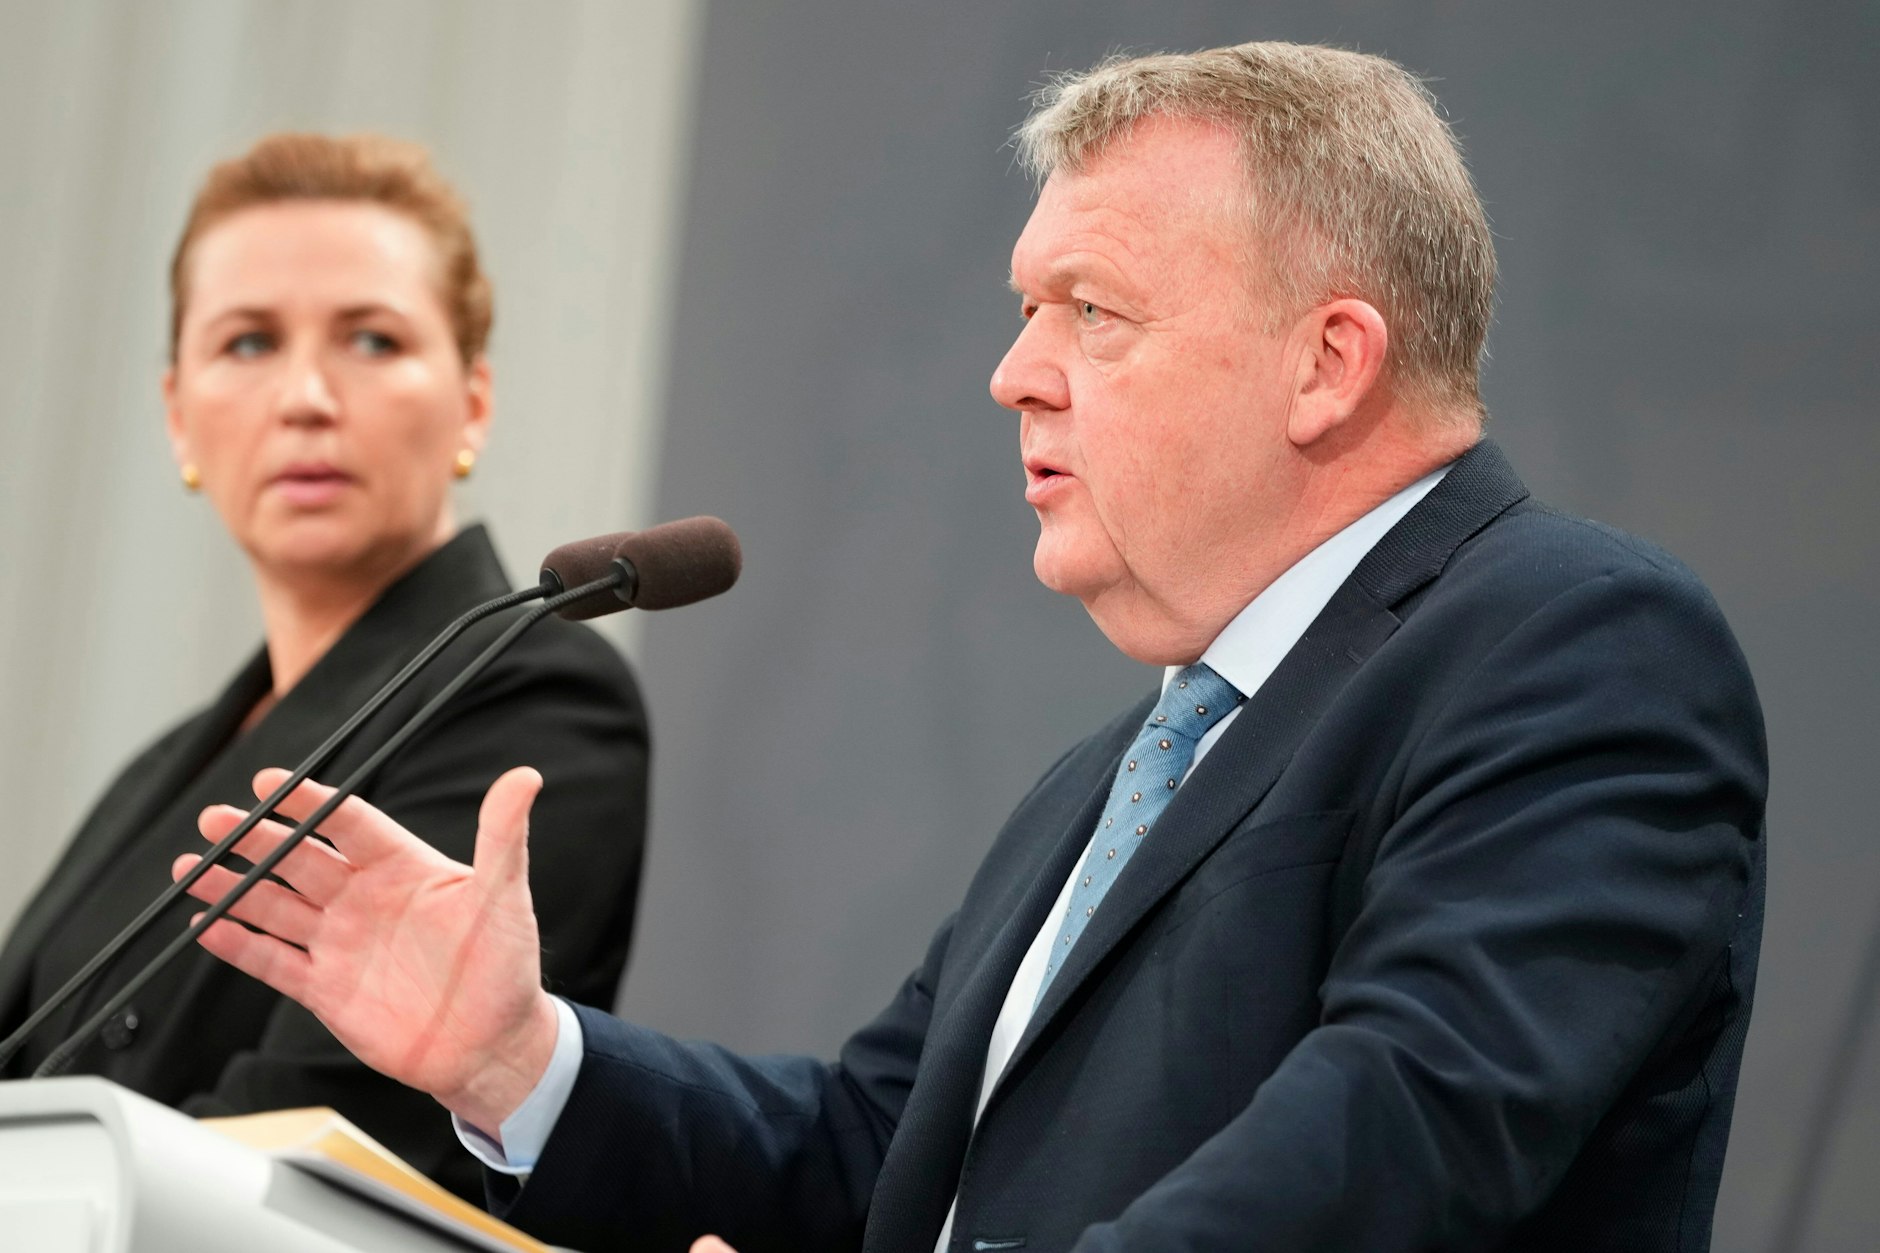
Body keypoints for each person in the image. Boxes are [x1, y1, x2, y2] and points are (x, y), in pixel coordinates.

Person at [173, 44, 1766, 1252]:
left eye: (1091, 310)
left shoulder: (1575, 644)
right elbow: (874, 1157)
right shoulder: (1117, 774)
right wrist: (518, 1057)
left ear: (1328, 363)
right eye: (1023, 309)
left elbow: (1403, 1135)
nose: (1015, 373)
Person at [0, 133, 651, 1203]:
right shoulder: (165, 763)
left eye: (371, 339)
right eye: (249, 341)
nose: (305, 394)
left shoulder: (537, 693)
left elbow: (328, 1143)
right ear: (179, 415)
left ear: (472, 401)